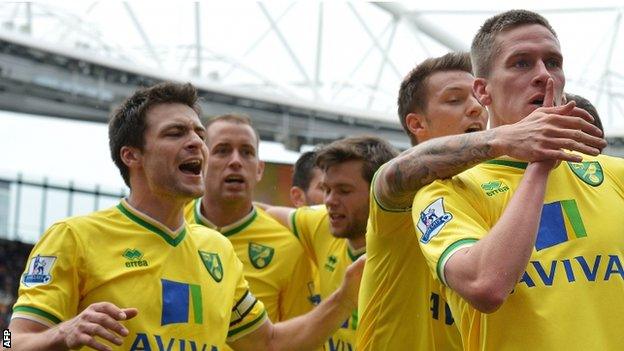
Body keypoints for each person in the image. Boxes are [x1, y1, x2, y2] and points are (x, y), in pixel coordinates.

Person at [8, 82, 365, 351]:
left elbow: (268, 342)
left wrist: (343, 297)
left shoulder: (218, 250)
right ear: (132, 156)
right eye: (176, 133)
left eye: (199, 133)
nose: (196, 142)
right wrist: (63, 331)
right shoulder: (73, 237)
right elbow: (9, 340)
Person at [358, 49, 608, 349]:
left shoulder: (508, 189)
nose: (476, 108)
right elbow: (394, 174)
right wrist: (502, 138)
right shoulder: (403, 197)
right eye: (454, 100)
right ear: (417, 124)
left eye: (477, 98)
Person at [412, 10, 622, 350]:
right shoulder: (446, 192)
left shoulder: (614, 176)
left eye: (553, 62)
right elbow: (486, 286)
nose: (542, 74)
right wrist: (540, 164)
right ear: (482, 91)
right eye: (522, 63)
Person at [183, 114, 318, 330]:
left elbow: (298, 340)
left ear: (259, 169)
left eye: (247, 152)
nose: (236, 161)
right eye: (222, 150)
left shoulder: (288, 247)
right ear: (201, 162)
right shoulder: (172, 226)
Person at [267, 136, 398, 351]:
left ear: (381, 192)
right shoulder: (321, 223)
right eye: (327, 190)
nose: (329, 201)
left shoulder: (413, 245)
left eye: (344, 191)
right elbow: (264, 213)